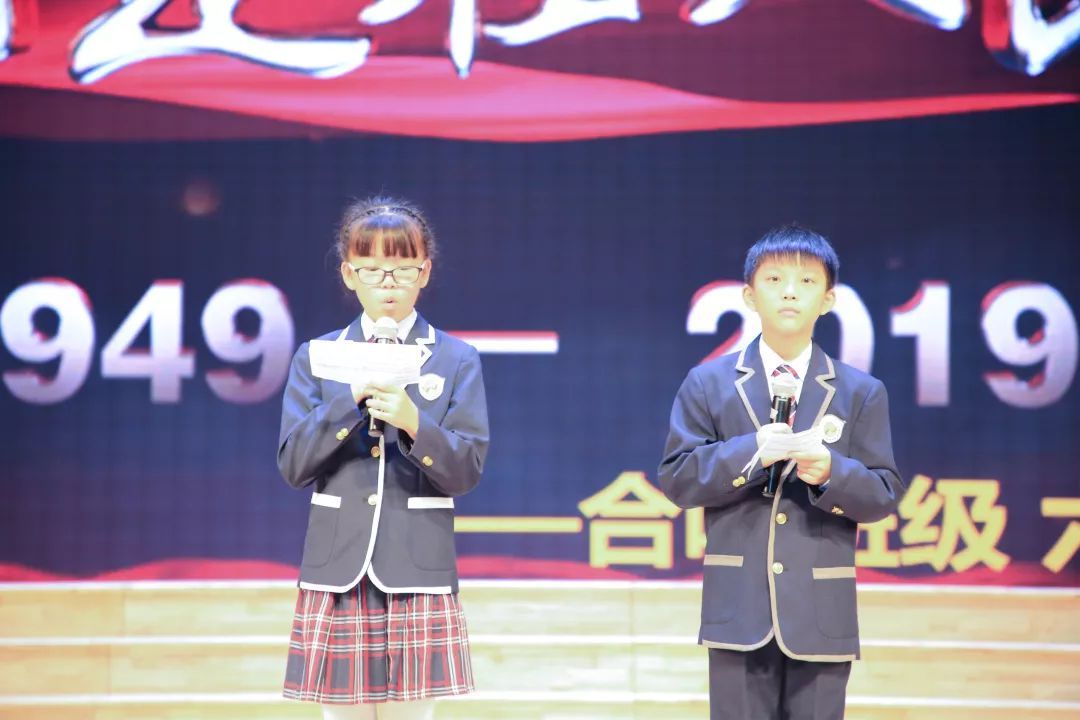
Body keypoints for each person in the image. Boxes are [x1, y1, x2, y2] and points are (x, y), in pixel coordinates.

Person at [658, 224, 904, 720]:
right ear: (750, 296)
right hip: (737, 609)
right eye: (774, 280)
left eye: (807, 281)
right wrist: (752, 451)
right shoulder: (708, 383)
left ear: (828, 300)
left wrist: (831, 472)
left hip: (821, 611)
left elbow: (883, 492)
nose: (790, 292)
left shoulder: (860, 391)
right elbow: (678, 478)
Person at [277, 196, 489, 720]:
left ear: (425, 273)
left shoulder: (455, 358)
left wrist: (415, 423)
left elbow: (466, 470)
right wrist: (349, 401)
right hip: (339, 569)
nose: (388, 283)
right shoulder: (319, 357)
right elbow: (293, 464)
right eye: (372, 270)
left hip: (417, 567)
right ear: (349, 275)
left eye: (402, 269)